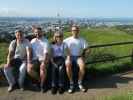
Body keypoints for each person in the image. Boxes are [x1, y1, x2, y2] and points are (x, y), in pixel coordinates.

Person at [64, 25, 90, 93]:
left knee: (82, 66)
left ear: (78, 31)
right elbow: (60, 44)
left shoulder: (82, 39)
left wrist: (84, 57)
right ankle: (71, 83)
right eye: (73, 30)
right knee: (68, 64)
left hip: (78, 57)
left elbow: (88, 49)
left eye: (76, 30)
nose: (75, 31)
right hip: (70, 56)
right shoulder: (67, 40)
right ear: (71, 31)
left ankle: (80, 82)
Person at [27, 27, 50, 92]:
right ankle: (39, 80)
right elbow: (30, 51)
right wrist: (29, 61)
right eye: (36, 32)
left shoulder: (45, 41)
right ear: (34, 33)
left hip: (43, 59)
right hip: (35, 59)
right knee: (29, 70)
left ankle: (42, 85)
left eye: (39, 32)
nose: (37, 33)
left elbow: (46, 53)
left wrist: (43, 62)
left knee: (42, 68)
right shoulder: (32, 41)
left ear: (42, 32)